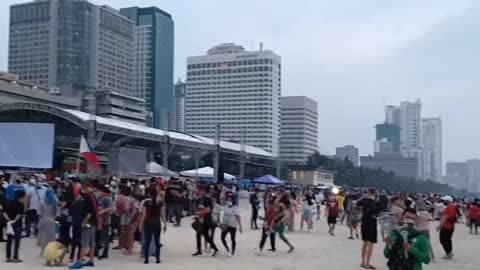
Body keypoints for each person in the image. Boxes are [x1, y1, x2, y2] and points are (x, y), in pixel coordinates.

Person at [70, 182, 98, 269]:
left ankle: (80, 261)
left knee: (84, 243)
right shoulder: (93, 196)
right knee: (92, 242)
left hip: (88, 223)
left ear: (86, 188)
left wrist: (84, 222)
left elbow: (89, 213)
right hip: (94, 222)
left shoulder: (87, 198)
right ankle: (91, 260)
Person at [139, 187, 167, 264]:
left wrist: (140, 224)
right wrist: (165, 224)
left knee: (147, 241)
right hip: (157, 223)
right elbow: (162, 214)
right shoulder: (160, 202)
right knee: (157, 241)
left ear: (148, 194)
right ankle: (157, 259)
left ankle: (146, 259)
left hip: (148, 223)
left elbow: (144, 215)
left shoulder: (146, 203)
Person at [357, 187, 380, 270]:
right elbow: (378, 214)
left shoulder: (364, 201)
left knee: (365, 243)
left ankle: (363, 262)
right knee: (370, 243)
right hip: (372, 224)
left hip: (364, 223)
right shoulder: (376, 203)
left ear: (368, 193)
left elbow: (357, 203)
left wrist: (364, 196)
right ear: (374, 193)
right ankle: (367, 263)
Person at [192, 190, 219, 256]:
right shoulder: (202, 199)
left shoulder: (207, 199)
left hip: (206, 220)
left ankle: (200, 251)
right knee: (206, 236)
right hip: (204, 220)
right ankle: (215, 249)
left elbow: (208, 210)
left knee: (200, 234)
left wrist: (199, 212)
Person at [3, 189, 25, 263]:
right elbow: (19, 214)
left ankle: (8, 257)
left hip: (9, 224)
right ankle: (15, 257)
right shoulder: (21, 204)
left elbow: (4, 212)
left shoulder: (9, 202)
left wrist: (9, 220)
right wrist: (14, 221)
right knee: (16, 241)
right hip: (17, 224)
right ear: (22, 197)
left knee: (9, 241)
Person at [95, 184, 114, 259]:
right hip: (98, 220)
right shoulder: (99, 197)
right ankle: (97, 251)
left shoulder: (107, 198)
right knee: (98, 237)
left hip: (105, 220)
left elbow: (111, 208)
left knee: (104, 238)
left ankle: (104, 253)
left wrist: (102, 211)